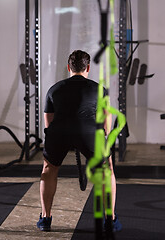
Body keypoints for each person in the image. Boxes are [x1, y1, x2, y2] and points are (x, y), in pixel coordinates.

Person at [37, 50, 122, 232]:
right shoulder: (99, 89)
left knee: (49, 169)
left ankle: (45, 218)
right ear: (88, 68)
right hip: (90, 133)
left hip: (59, 132)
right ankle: (110, 220)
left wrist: (62, 140)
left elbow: (48, 123)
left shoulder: (54, 89)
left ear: (69, 67)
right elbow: (106, 125)